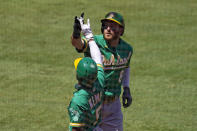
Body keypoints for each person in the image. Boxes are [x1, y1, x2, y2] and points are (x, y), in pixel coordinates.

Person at [71, 12, 133, 131]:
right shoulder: (95, 42)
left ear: (121, 30)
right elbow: (78, 44)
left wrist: (126, 88)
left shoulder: (127, 49)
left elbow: (126, 67)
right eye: (106, 25)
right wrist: (76, 33)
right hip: (94, 103)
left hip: (114, 106)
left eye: (113, 26)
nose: (108, 29)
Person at [68, 16, 104, 131]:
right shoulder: (99, 81)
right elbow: (97, 58)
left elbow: (77, 129)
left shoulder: (79, 100)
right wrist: (90, 37)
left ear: (78, 76)